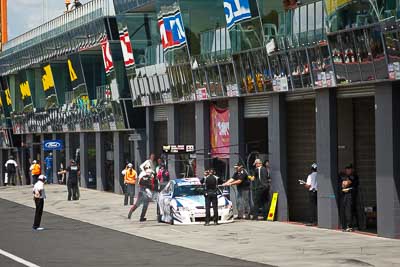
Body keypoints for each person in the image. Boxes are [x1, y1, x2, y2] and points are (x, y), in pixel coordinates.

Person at [340, 164, 355, 232]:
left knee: (348, 210)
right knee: (344, 210)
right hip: (345, 195)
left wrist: (345, 182)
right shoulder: (346, 176)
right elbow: (343, 185)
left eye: (349, 169)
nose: (347, 171)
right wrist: (344, 182)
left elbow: (346, 184)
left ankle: (350, 226)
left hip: (350, 195)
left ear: (351, 170)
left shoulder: (353, 176)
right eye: (346, 170)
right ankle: (345, 225)